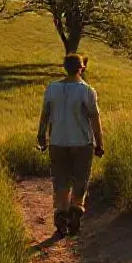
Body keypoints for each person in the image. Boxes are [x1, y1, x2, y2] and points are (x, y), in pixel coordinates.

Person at [37, 53, 104, 237]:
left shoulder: (51, 89)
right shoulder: (87, 91)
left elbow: (45, 115)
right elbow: (94, 119)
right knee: (81, 179)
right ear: (82, 68)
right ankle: (76, 208)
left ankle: (61, 213)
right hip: (82, 143)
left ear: (64, 67)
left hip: (58, 142)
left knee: (61, 179)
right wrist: (100, 143)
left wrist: (41, 137)